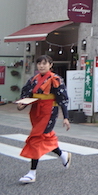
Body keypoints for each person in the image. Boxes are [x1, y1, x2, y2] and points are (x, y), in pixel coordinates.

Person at [16, 55, 71, 184]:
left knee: (36, 139)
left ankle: (32, 173)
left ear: (50, 65)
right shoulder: (33, 79)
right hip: (36, 111)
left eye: (44, 63)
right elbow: (27, 93)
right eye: (39, 63)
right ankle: (63, 155)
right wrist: (22, 104)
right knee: (45, 138)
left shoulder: (55, 79)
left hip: (49, 112)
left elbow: (63, 99)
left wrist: (66, 117)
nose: (41, 66)